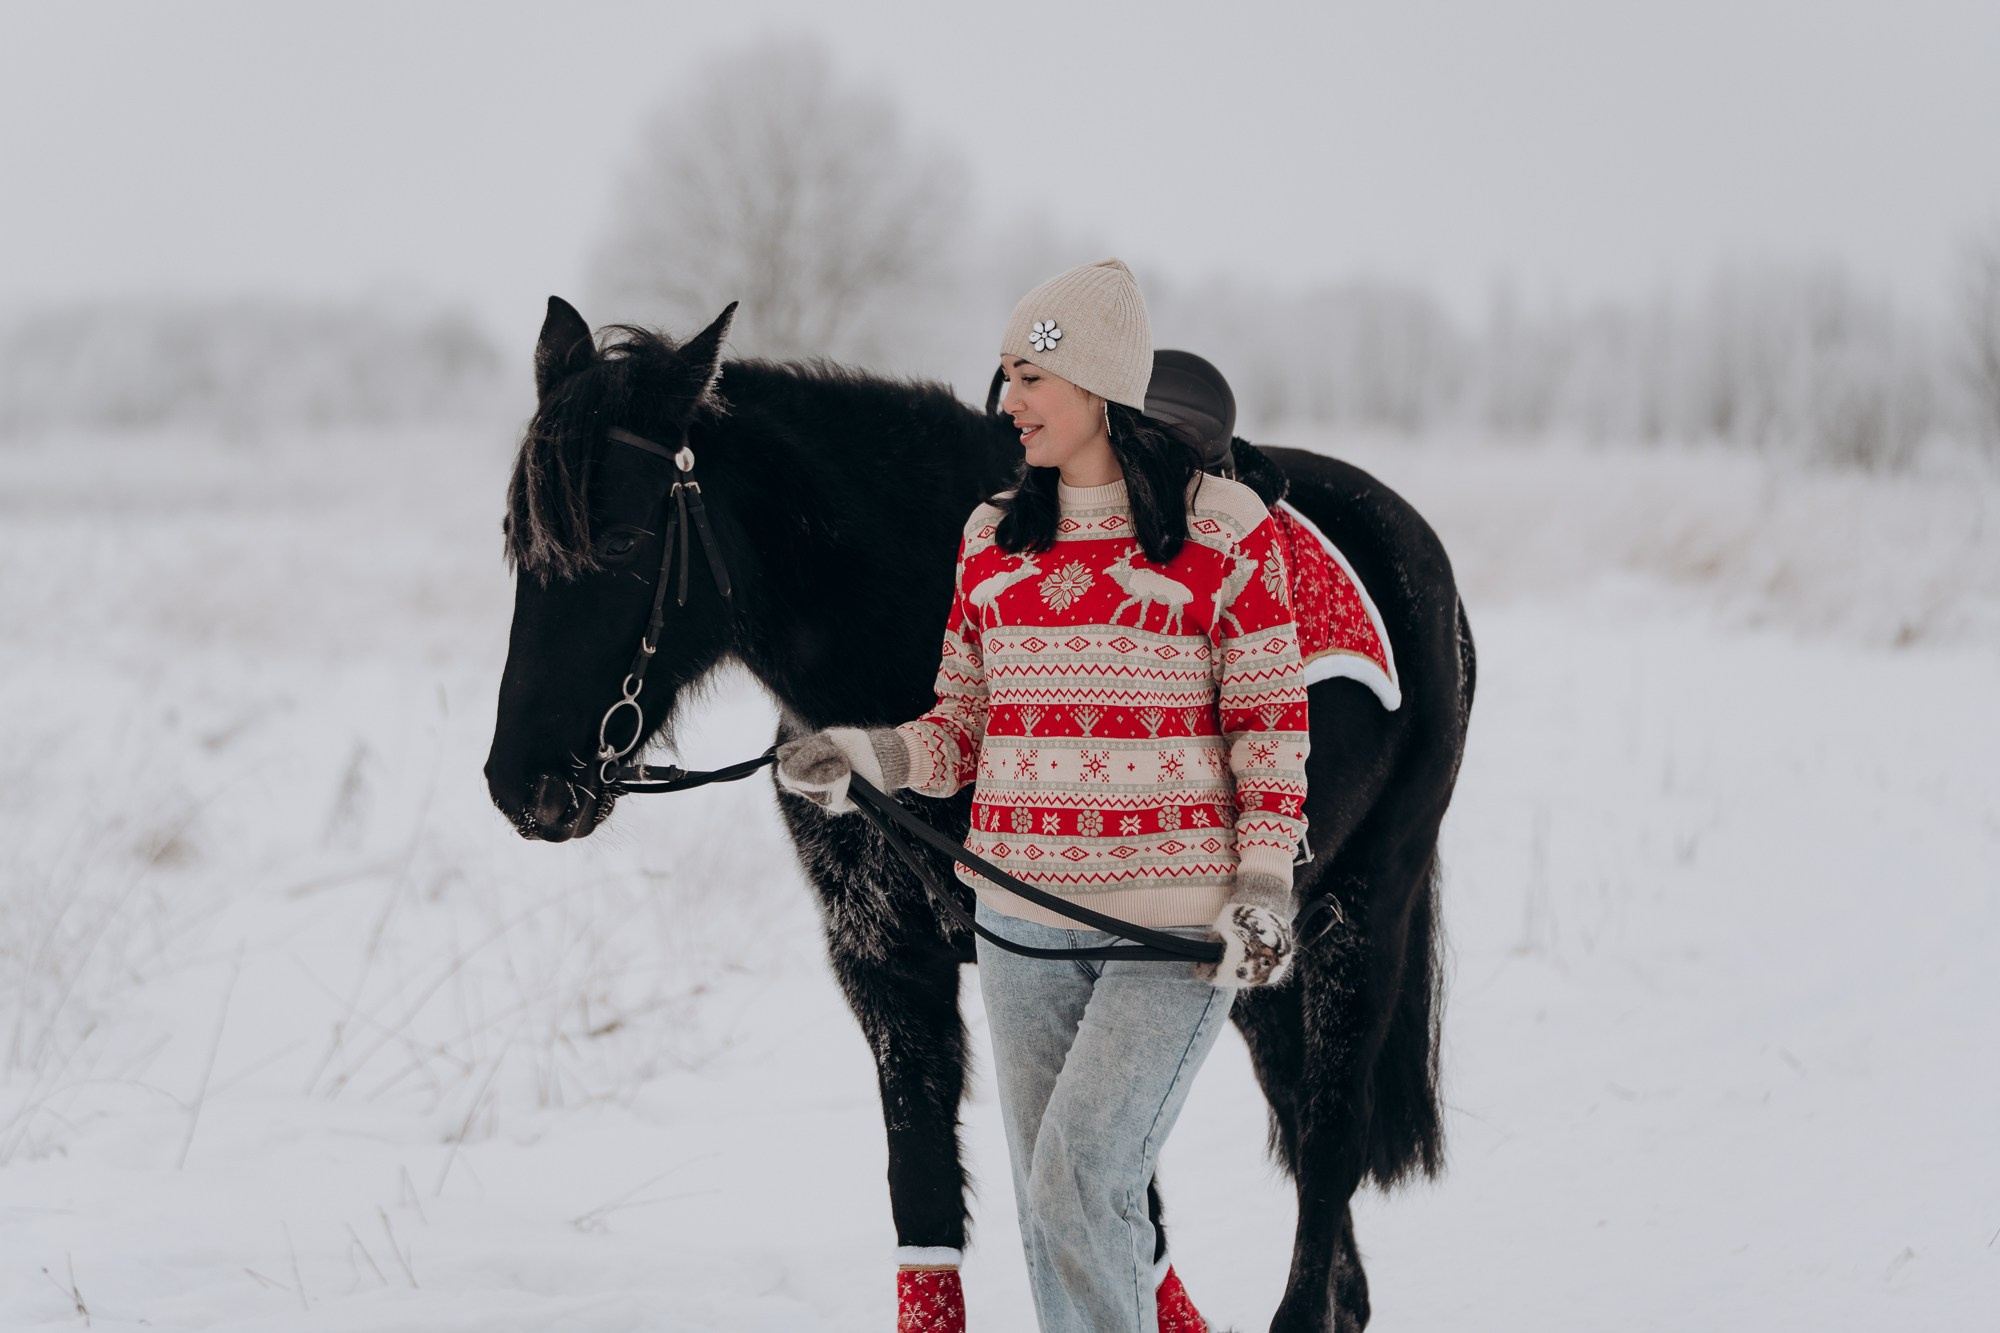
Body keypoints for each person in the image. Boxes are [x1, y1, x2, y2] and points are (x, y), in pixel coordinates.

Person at [777, 258, 1310, 1333]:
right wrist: (863, 754)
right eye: (1003, 376)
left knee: (1080, 1173)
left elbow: (1269, 728)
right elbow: (959, 729)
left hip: (1170, 924)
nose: (1005, 402)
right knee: (1048, 1202)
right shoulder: (990, 540)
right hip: (1017, 915)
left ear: (1100, 386)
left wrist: (1262, 884)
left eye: (1030, 376)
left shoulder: (1226, 531)